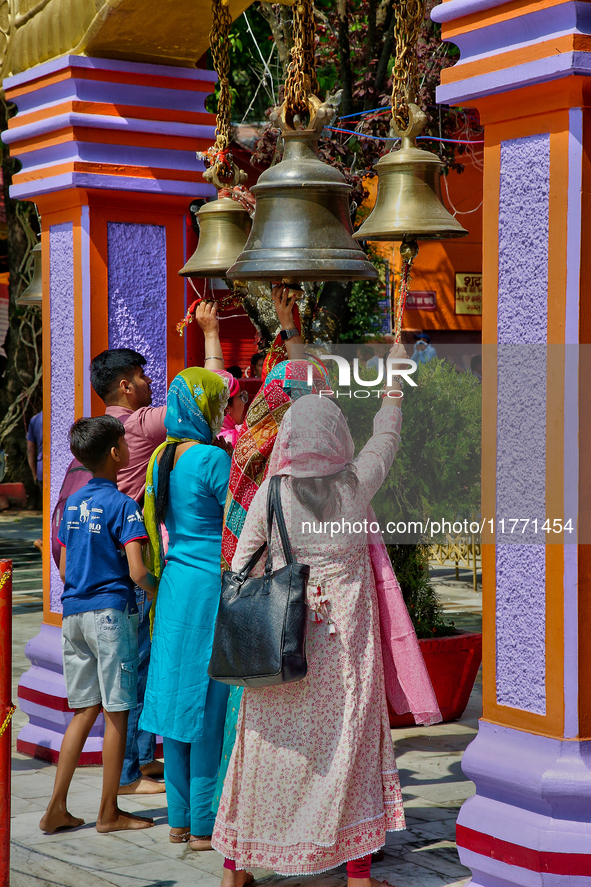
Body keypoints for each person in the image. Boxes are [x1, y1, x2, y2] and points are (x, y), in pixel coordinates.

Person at [212, 345, 441, 885]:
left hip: (279, 642)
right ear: (336, 436)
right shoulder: (355, 484)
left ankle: (235, 871)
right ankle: (357, 876)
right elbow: (386, 435)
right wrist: (392, 380)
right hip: (345, 648)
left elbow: (241, 564)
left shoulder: (271, 493)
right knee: (347, 748)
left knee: (263, 747)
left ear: (287, 438)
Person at [39, 416, 156, 835]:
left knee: (84, 710)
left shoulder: (71, 504)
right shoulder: (125, 505)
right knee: (117, 712)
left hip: (74, 614)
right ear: (115, 453)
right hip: (110, 615)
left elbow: (68, 564)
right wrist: (160, 592)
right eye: (124, 442)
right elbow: (138, 570)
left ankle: (55, 808)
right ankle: (109, 812)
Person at [140, 368, 232, 851]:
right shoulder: (214, 459)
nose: (222, 411)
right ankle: (202, 825)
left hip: (174, 584)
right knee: (207, 704)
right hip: (209, 586)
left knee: (174, 701)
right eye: (218, 403)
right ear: (202, 407)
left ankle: (178, 820)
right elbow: (241, 520)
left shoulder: (162, 458)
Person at [90, 348, 166, 795]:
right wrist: (212, 335)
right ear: (124, 385)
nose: (149, 383)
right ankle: (128, 776)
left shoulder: (98, 432)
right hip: (130, 563)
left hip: (99, 567)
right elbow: (201, 402)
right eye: (141, 376)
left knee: (131, 663)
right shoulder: (135, 425)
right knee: (135, 665)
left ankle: (138, 758)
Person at [26, 410, 43, 550]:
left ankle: (43, 539)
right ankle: (43, 539)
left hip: (42, 469)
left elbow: (30, 449)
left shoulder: (35, 419)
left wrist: (34, 472)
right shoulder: (55, 415)